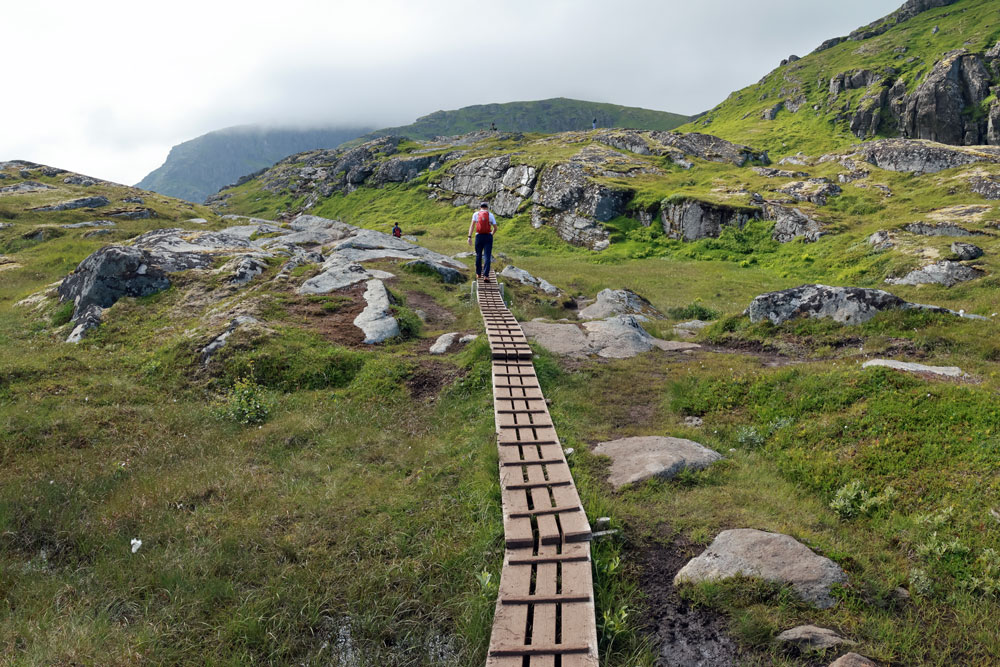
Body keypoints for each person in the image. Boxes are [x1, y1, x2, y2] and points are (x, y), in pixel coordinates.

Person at [467, 201, 497, 281]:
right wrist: (491, 234)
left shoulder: (476, 214)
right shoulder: (490, 215)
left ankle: (478, 273)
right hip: (488, 236)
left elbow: (472, 226)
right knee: (487, 256)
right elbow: (495, 228)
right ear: (487, 207)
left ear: (480, 207)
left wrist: (469, 237)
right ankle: (486, 276)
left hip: (478, 236)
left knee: (478, 255)